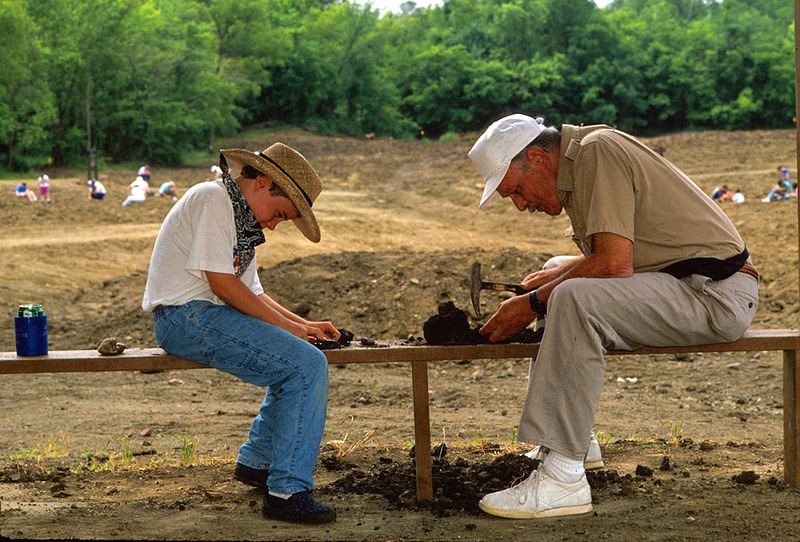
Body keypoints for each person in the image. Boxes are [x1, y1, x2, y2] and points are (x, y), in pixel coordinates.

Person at [467, 114, 759, 520]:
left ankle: (563, 479)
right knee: (558, 272)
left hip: (715, 294)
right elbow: (627, 251)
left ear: (536, 158)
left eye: (515, 191)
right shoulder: (582, 156)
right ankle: (574, 442)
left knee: (570, 297)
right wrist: (558, 274)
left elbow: (614, 265)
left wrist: (532, 302)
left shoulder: (596, 153)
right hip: (693, 284)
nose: (520, 205)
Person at [141, 142, 339, 524]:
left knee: (297, 362)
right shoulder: (213, 198)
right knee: (305, 366)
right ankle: (287, 491)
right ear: (264, 183)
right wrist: (296, 334)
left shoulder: (239, 218)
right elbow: (224, 286)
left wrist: (305, 326)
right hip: (185, 317)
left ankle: (257, 462)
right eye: (281, 214)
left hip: (201, 316)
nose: (274, 225)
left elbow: (252, 293)